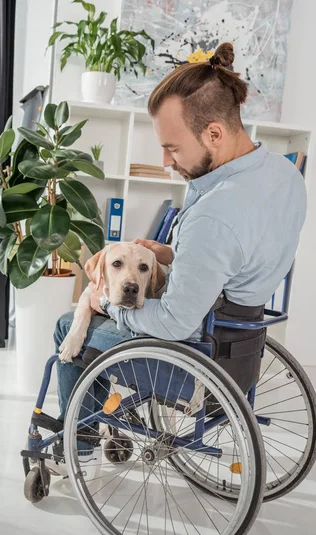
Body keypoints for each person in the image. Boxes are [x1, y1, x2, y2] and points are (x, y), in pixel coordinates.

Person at [54, 42, 306, 455]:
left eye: (172, 147)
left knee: (69, 325)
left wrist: (107, 302)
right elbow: (243, 251)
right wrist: (173, 254)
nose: (166, 161)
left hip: (198, 362)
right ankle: (102, 423)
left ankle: (78, 446)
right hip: (242, 349)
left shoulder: (213, 215)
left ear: (214, 133)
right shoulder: (286, 172)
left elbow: (171, 323)